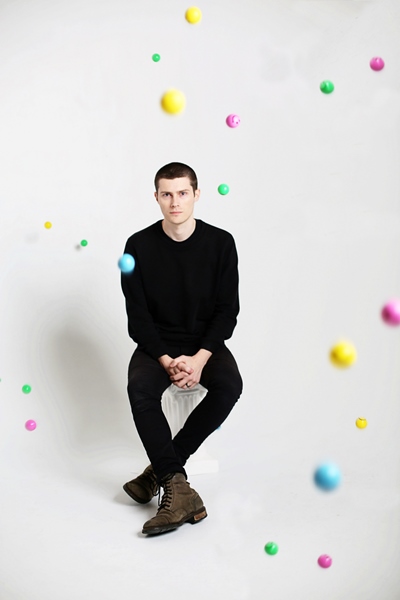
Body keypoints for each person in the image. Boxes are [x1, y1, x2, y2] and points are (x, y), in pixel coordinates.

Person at [121, 162, 243, 536]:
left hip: (204, 344)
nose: (175, 202)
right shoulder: (138, 245)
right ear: (156, 197)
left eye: (182, 193)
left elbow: (227, 311)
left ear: (196, 194)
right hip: (157, 346)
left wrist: (201, 358)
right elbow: (137, 316)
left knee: (230, 385)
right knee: (140, 388)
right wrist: (166, 359)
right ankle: (178, 488)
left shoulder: (221, 243)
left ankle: (159, 473)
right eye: (167, 194)